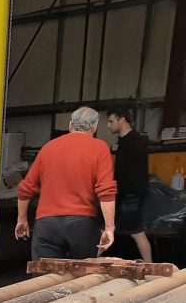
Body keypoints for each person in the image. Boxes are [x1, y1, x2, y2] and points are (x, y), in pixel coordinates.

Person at [16, 106, 118, 260]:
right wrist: (109, 228)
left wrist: (22, 220)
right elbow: (106, 191)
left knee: (44, 279)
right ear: (95, 127)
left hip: (46, 225)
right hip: (82, 225)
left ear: (70, 124)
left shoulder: (48, 148)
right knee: (81, 279)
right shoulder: (100, 148)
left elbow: (26, 189)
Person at [106, 107, 153, 263]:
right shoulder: (126, 141)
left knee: (136, 232)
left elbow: (136, 173)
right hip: (124, 195)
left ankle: (150, 265)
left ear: (122, 119)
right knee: (107, 229)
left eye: (111, 121)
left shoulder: (135, 141)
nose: (108, 125)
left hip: (129, 195)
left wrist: (126, 195)